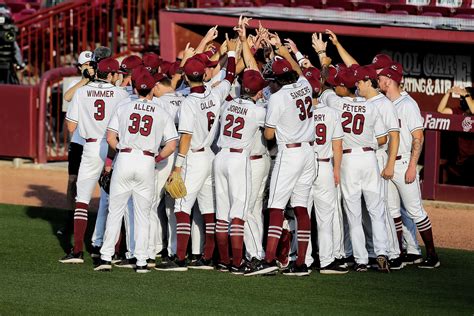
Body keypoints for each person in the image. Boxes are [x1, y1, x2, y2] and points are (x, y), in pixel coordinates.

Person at [155, 35, 238, 272]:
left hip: (193, 157)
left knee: (181, 208)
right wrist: (231, 54)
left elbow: (186, 137)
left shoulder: (189, 102)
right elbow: (230, 77)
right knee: (208, 209)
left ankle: (180, 259)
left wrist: (178, 166)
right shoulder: (214, 93)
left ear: (187, 77)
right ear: (202, 75)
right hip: (210, 156)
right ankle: (207, 257)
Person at [94, 71, 178, 273]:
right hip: (147, 161)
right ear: (152, 91)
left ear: (134, 88)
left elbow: (111, 138)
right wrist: (156, 158)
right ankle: (141, 261)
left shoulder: (124, 107)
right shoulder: (161, 111)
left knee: (115, 210)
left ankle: (106, 257)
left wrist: (121, 149)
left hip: (124, 157)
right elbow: (172, 144)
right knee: (143, 214)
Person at [246, 48, 316, 277]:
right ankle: (301, 263)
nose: (269, 85)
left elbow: (268, 135)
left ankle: (268, 259)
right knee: (301, 208)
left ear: (277, 80)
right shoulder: (304, 85)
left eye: (271, 80)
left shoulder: (278, 98)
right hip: (309, 153)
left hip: (290, 153)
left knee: (275, 206)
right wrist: (289, 50)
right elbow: (301, 70)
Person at [59, 58, 129, 263]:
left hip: (90, 147)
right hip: (112, 147)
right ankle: (113, 251)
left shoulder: (81, 92)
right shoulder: (122, 94)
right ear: (111, 75)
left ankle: (77, 250)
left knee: (82, 199)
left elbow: (71, 127)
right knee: (114, 201)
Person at [378, 62, 440, 268]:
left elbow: (418, 137)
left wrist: (413, 166)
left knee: (415, 211)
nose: (378, 81)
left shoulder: (408, 104)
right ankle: (403, 252)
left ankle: (432, 255)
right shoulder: (385, 103)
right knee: (392, 211)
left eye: (380, 78)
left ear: (389, 80)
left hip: (404, 162)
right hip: (389, 163)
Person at [214, 69, 267, 274]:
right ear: (258, 92)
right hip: (238, 158)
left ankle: (224, 260)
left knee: (222, 213)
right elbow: (272, 131)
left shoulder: (228, 104)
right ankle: (239, 262)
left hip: (220, 156)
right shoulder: (258, 111)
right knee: (239, 211)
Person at [303, 67, 348, 274]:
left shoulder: (299, 111)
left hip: (303, 165)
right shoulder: (331, 112)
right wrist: (336, 170)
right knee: (325, 216)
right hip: (323, 165)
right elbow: (337, 146)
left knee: (302, 213)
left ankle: (303, 258)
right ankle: (327, 260)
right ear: (319, 89)